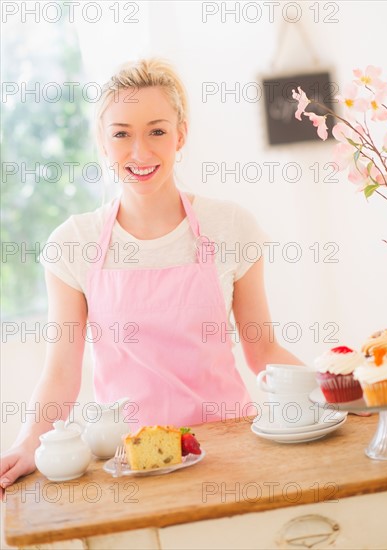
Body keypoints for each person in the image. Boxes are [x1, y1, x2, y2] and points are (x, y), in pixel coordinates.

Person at [0, 58, 303, 497]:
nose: (139, 152)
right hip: (128, 463)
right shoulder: (73, 242)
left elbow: (263, 350)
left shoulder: (230, 226)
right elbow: (62, 372)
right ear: (102, 143)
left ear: (181, 135)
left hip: (229, 452)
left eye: (157, 131)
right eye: (121, 133)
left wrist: (335, 390)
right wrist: (29, 442)